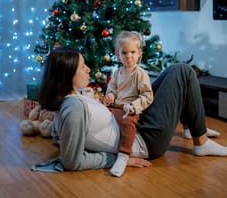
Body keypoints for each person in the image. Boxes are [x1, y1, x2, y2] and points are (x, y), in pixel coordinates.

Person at [32, 45, 227, 175]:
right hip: (145, 140)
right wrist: (119, 158)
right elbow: (71, 162)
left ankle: (192, 127)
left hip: (134, 124)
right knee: (182, 71)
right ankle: (200, 141)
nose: (89, 69)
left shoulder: (73, 98)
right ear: (67, 74)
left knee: (172, 72)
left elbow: (63, 135)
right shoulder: (73, 108)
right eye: (83, 67)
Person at [103, 31, 153, 177]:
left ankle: (123, 156)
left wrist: (135, 107)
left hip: (129, 108)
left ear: (139, 53)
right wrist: (110, 96)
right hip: (115, 106)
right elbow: (111, 89)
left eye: (132, 52)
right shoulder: (117, 73)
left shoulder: (140, 74)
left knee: (126, 122)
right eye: (124, 53)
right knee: (102, 115)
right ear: (118, 55)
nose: (129, 56)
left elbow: (148, 95)